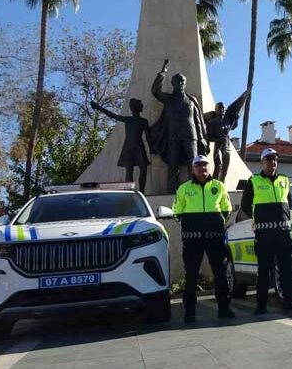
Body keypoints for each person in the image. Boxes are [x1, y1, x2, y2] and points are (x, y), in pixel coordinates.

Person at [172, 155, 234, 322]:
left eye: (205, 165)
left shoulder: (219, 186)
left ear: (209, 167)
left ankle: (224, 308)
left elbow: (226, 209)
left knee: (220, 273)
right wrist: (190, 226)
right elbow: (177, 211)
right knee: (191, 275)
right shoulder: (184, 188)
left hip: (215, 239)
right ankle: (189, 312)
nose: (202, 168)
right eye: (198, 165)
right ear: (193, 168)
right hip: (193, 240)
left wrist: (218, 222)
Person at [240, 148, 292, 314]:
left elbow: (289, 203)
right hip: (264, 235)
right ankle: (261, 305)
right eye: (269, 159)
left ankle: (289, 301)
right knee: (264, 270)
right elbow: (245, 205)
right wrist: (261, 218)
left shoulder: (284, 180)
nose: (272, 162)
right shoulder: (254, 180)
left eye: (274, 159)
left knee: (286, 269)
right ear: (262, 162)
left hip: (282, 233)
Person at [150, 59, 209, 192]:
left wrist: (202, 138)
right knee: (173, 167)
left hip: (190, 136)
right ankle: (172, 193)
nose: (180, 83)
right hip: (173, 136)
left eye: (182, 81)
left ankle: (195, 191)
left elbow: (198, 121)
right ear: (173, 84)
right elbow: (155, 91)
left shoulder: (191, 100)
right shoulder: (168, 99)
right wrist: (162, 73)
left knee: (193, 165)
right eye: (178, 81)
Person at [90, 98, 150, 192]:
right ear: (136, 107)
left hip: (139, 148)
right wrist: (98, 107)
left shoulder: (143, 121)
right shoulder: (128, 120)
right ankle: (129, 192)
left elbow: (148, 136)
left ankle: (142, 192)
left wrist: (151, 148)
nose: (142, 106)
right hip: (128, 148)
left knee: (143, 169)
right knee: (129, 171)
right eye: (140, 104)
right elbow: (112, 115)